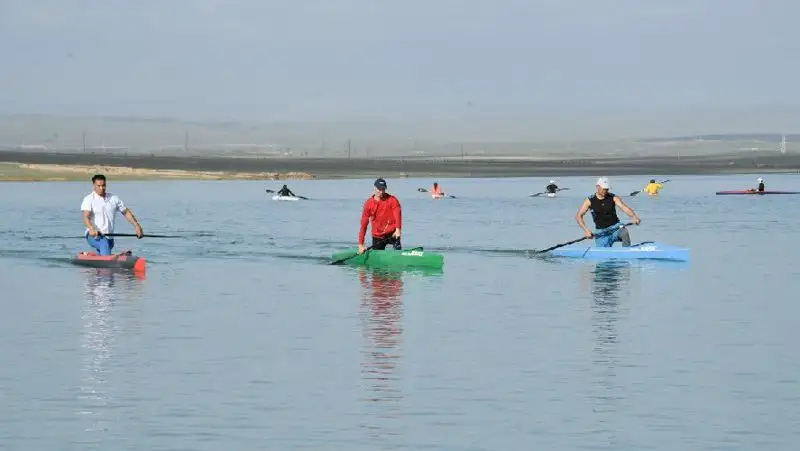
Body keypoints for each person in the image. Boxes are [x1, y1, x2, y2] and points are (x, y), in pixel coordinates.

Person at [80, 174, 144, 255]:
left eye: (103, 185)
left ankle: (90, 256)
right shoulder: (88, 199)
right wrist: (91, 229)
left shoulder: (113, 198)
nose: (101, 188)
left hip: (109, 237)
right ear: (93, 186)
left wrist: (137, 226)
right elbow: (86, 217)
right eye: (98, 186)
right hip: (94, 235)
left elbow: (126, 212)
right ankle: (108, 263)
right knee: (104, 246)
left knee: (105, 250)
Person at [576, 177, 641, 247]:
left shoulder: (613, 197)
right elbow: (579, 216)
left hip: (616, 227)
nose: (606, 191)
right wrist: (586, 230)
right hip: (601, 232)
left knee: (624, 232)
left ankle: (626, 252)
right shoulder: (589, 200)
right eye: (604, 189)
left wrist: (634, 217)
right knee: (601, 255)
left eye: (607, 189)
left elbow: (624, 208)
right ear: (597, 187)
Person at [358, 178, 402, 254]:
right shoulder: (368, 204)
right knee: (377, 260)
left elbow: (397, 214)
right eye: (379, 189)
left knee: (397, 250)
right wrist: (360, 245)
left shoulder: (392, 200)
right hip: (378, 236)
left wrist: (398, 229)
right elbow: (363, 225)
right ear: (374, 188)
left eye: (383, 189)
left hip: (392, 233)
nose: (381, 191)